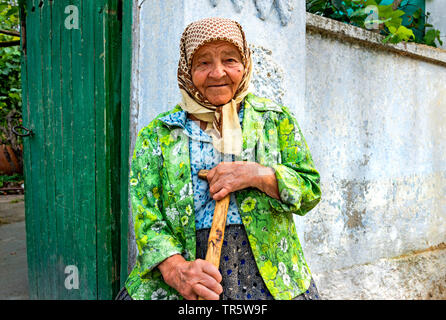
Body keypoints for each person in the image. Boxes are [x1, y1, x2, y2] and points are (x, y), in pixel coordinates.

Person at [116, 17, 321, 300]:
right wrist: (177, 271)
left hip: (269, 279)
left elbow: (310, 191)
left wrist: (257, 175)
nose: (218, 73)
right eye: (203, 63)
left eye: (230, 59)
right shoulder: (158, 134)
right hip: (186, 281)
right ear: (187, 69)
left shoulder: (275, 120)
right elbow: (148, 219)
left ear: (245, 63)